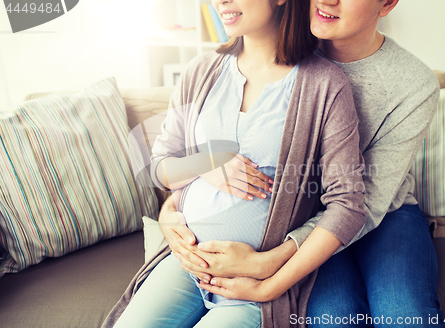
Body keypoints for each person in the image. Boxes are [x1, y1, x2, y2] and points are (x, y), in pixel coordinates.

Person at [165, 0, 445, 327]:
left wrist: (270, 266)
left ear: (387, 4)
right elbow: (222, 148)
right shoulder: (279, 44)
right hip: (306, 213)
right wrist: (172, 210)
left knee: (406, 315)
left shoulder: (413, 83)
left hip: (383, 215)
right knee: (335, 319)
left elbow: (361, 205)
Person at [102, 0, 367, 327]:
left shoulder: (325, 85)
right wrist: (205, 163)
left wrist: (270, 283)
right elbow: (158, 166)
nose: (220, 1)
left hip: (249, 287)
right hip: (185, 264)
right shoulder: (201, 71)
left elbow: (347, 205)